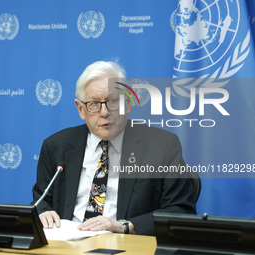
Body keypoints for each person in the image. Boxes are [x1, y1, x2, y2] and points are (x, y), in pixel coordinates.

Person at [32, 60, 196, 235]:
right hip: (66, 245)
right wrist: (42, 213)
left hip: (127, 246)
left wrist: (125, 226)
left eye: (113, 101)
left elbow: (180, 211)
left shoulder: (162, 145)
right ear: (80, 109)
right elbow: (41, 200)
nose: (104, 112)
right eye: (94, 104)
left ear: (127, 104)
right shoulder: (57, 146)